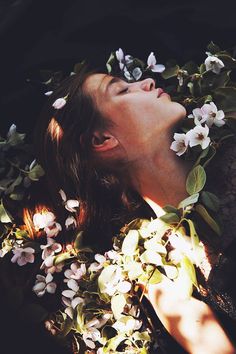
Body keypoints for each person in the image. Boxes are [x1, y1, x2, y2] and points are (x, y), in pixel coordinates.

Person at [36, 67, 236, 353]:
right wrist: (181, 314)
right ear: (102, 139)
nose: (147, 82)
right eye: (122, 90)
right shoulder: (164, 281)